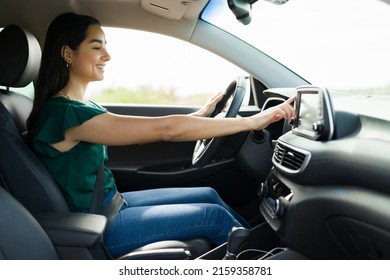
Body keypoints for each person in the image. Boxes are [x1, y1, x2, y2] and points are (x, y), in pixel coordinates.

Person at [26, 12, 296, 258]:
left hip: (112, 203)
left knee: (210, 194)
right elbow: (163, 129)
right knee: (215, 218)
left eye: (105, 46)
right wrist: (252, 122)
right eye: (97, 47)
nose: (107, 56)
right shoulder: (64, 114)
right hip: (96, 222)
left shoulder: (84, 108)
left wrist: (200, 116)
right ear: (68, 54)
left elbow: (151, 128)